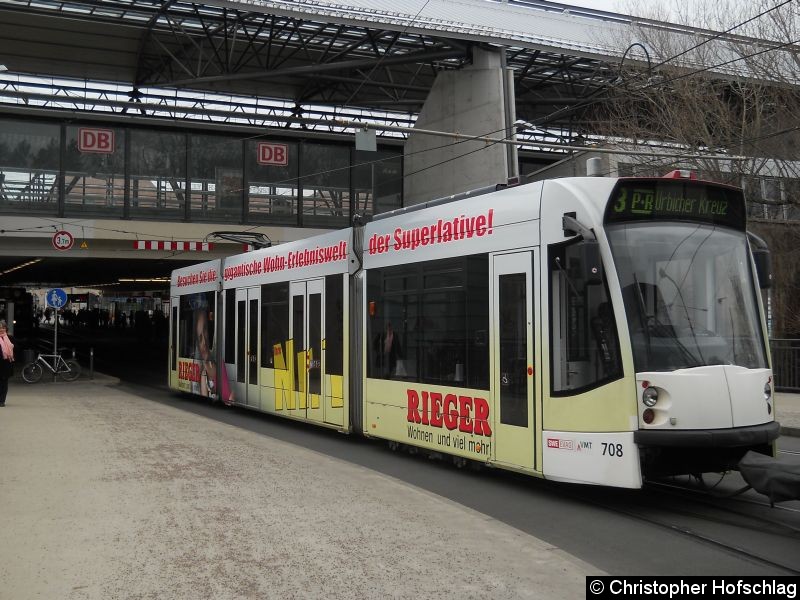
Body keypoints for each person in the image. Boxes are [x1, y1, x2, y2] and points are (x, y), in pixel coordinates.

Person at [194, 309, 234, 405]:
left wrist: (231, 397)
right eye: (200, 339)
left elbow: (231, 392)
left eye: (205, 331)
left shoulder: (220, 363)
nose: (204, 342)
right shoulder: (203, 375)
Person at [0, 320, 15, 407]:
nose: (1, 329)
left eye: (3, 328)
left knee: (4, 383)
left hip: (6, 364)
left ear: (6, 328)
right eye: (0, 328)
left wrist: (12, 348)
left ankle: (2, 401)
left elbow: (16, 349)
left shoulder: (10, 338)